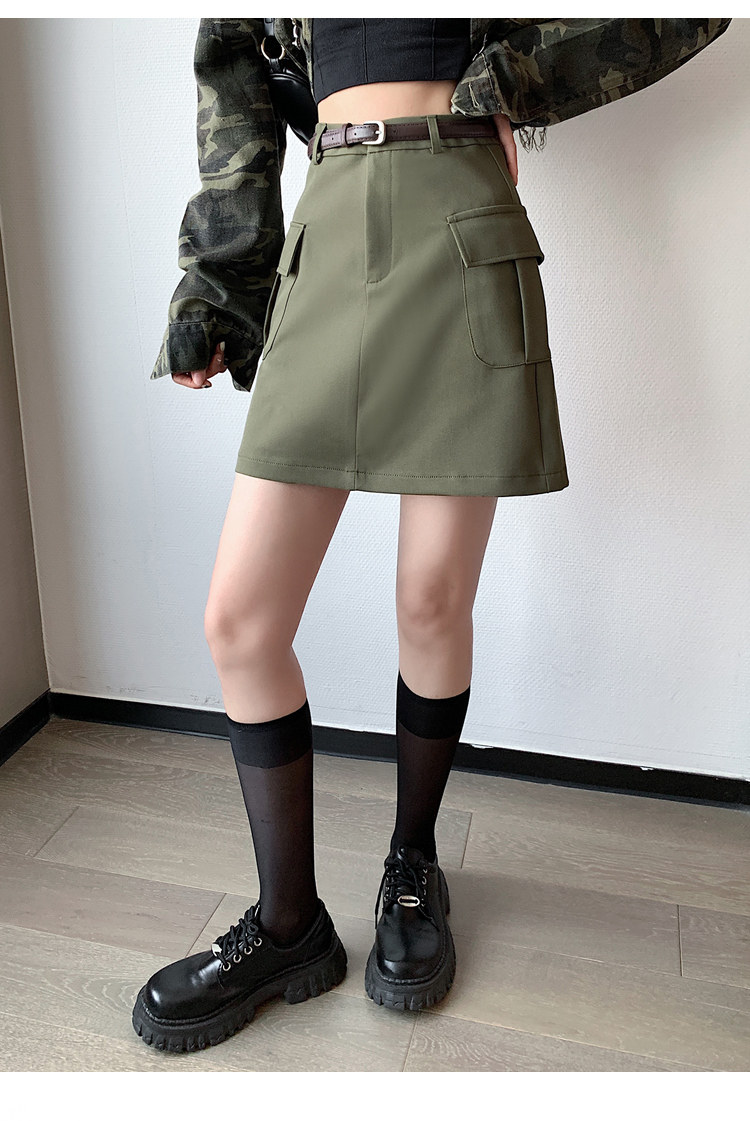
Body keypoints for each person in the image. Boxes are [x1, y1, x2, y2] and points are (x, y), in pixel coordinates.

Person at [132, 17, 730, 1053]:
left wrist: (516, 76)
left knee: (431, 598)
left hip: (460, 213)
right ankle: (289, 926)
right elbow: (236, 94)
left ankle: (412, 866)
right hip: (328, 234)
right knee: (241, 620)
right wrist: (217, 290)